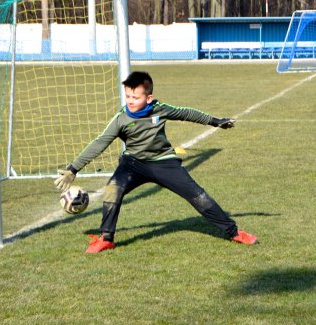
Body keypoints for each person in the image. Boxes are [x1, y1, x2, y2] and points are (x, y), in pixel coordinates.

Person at [55, 71, 258, 253]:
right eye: (127, 96)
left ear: (148, 97)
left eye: (135, 97)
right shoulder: (121, 119)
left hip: (164, 163)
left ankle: (233, 232)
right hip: (132, 164)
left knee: (198, 195)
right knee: (111, 191)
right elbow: (100, 142)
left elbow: (186, 113)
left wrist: (214, 121)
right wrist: (73, 168)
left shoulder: (160, 109)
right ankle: (106, 238)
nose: (130, 101)